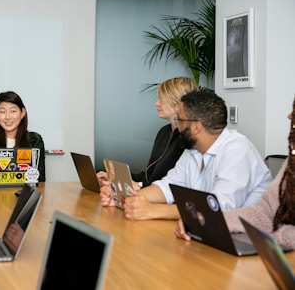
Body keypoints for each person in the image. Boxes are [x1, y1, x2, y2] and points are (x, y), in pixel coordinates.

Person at [100, 91, 272, 220]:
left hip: (246, 244)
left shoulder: (238, 151)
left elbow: (217, 208)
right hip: (209, 233)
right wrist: (125, 198)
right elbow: (168, 187)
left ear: (197, 127)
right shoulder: (193, 150)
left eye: (180, 120)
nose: (177, 126)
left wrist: (153, 211)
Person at [176, 98, 295, 249]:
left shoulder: (237, 148)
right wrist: (205, 220)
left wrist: (278, 238)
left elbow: (222, 203)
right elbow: (265, 212)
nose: (290, 116)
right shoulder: (291, 164)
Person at [97, 77, 198, 190]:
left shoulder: (188, 139)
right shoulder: (164, 132)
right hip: (150, 194)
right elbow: (148, 177)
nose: (156, 103)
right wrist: (114, 178)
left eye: (162, 99)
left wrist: (138, 186)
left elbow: (174, 186)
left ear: (178, 103)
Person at [0, 91, 46, 183]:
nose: (8, 117)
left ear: (22, 113)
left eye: (13, 111)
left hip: (23, 193)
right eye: (2, 112)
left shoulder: (35, 140)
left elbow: (41, 177)